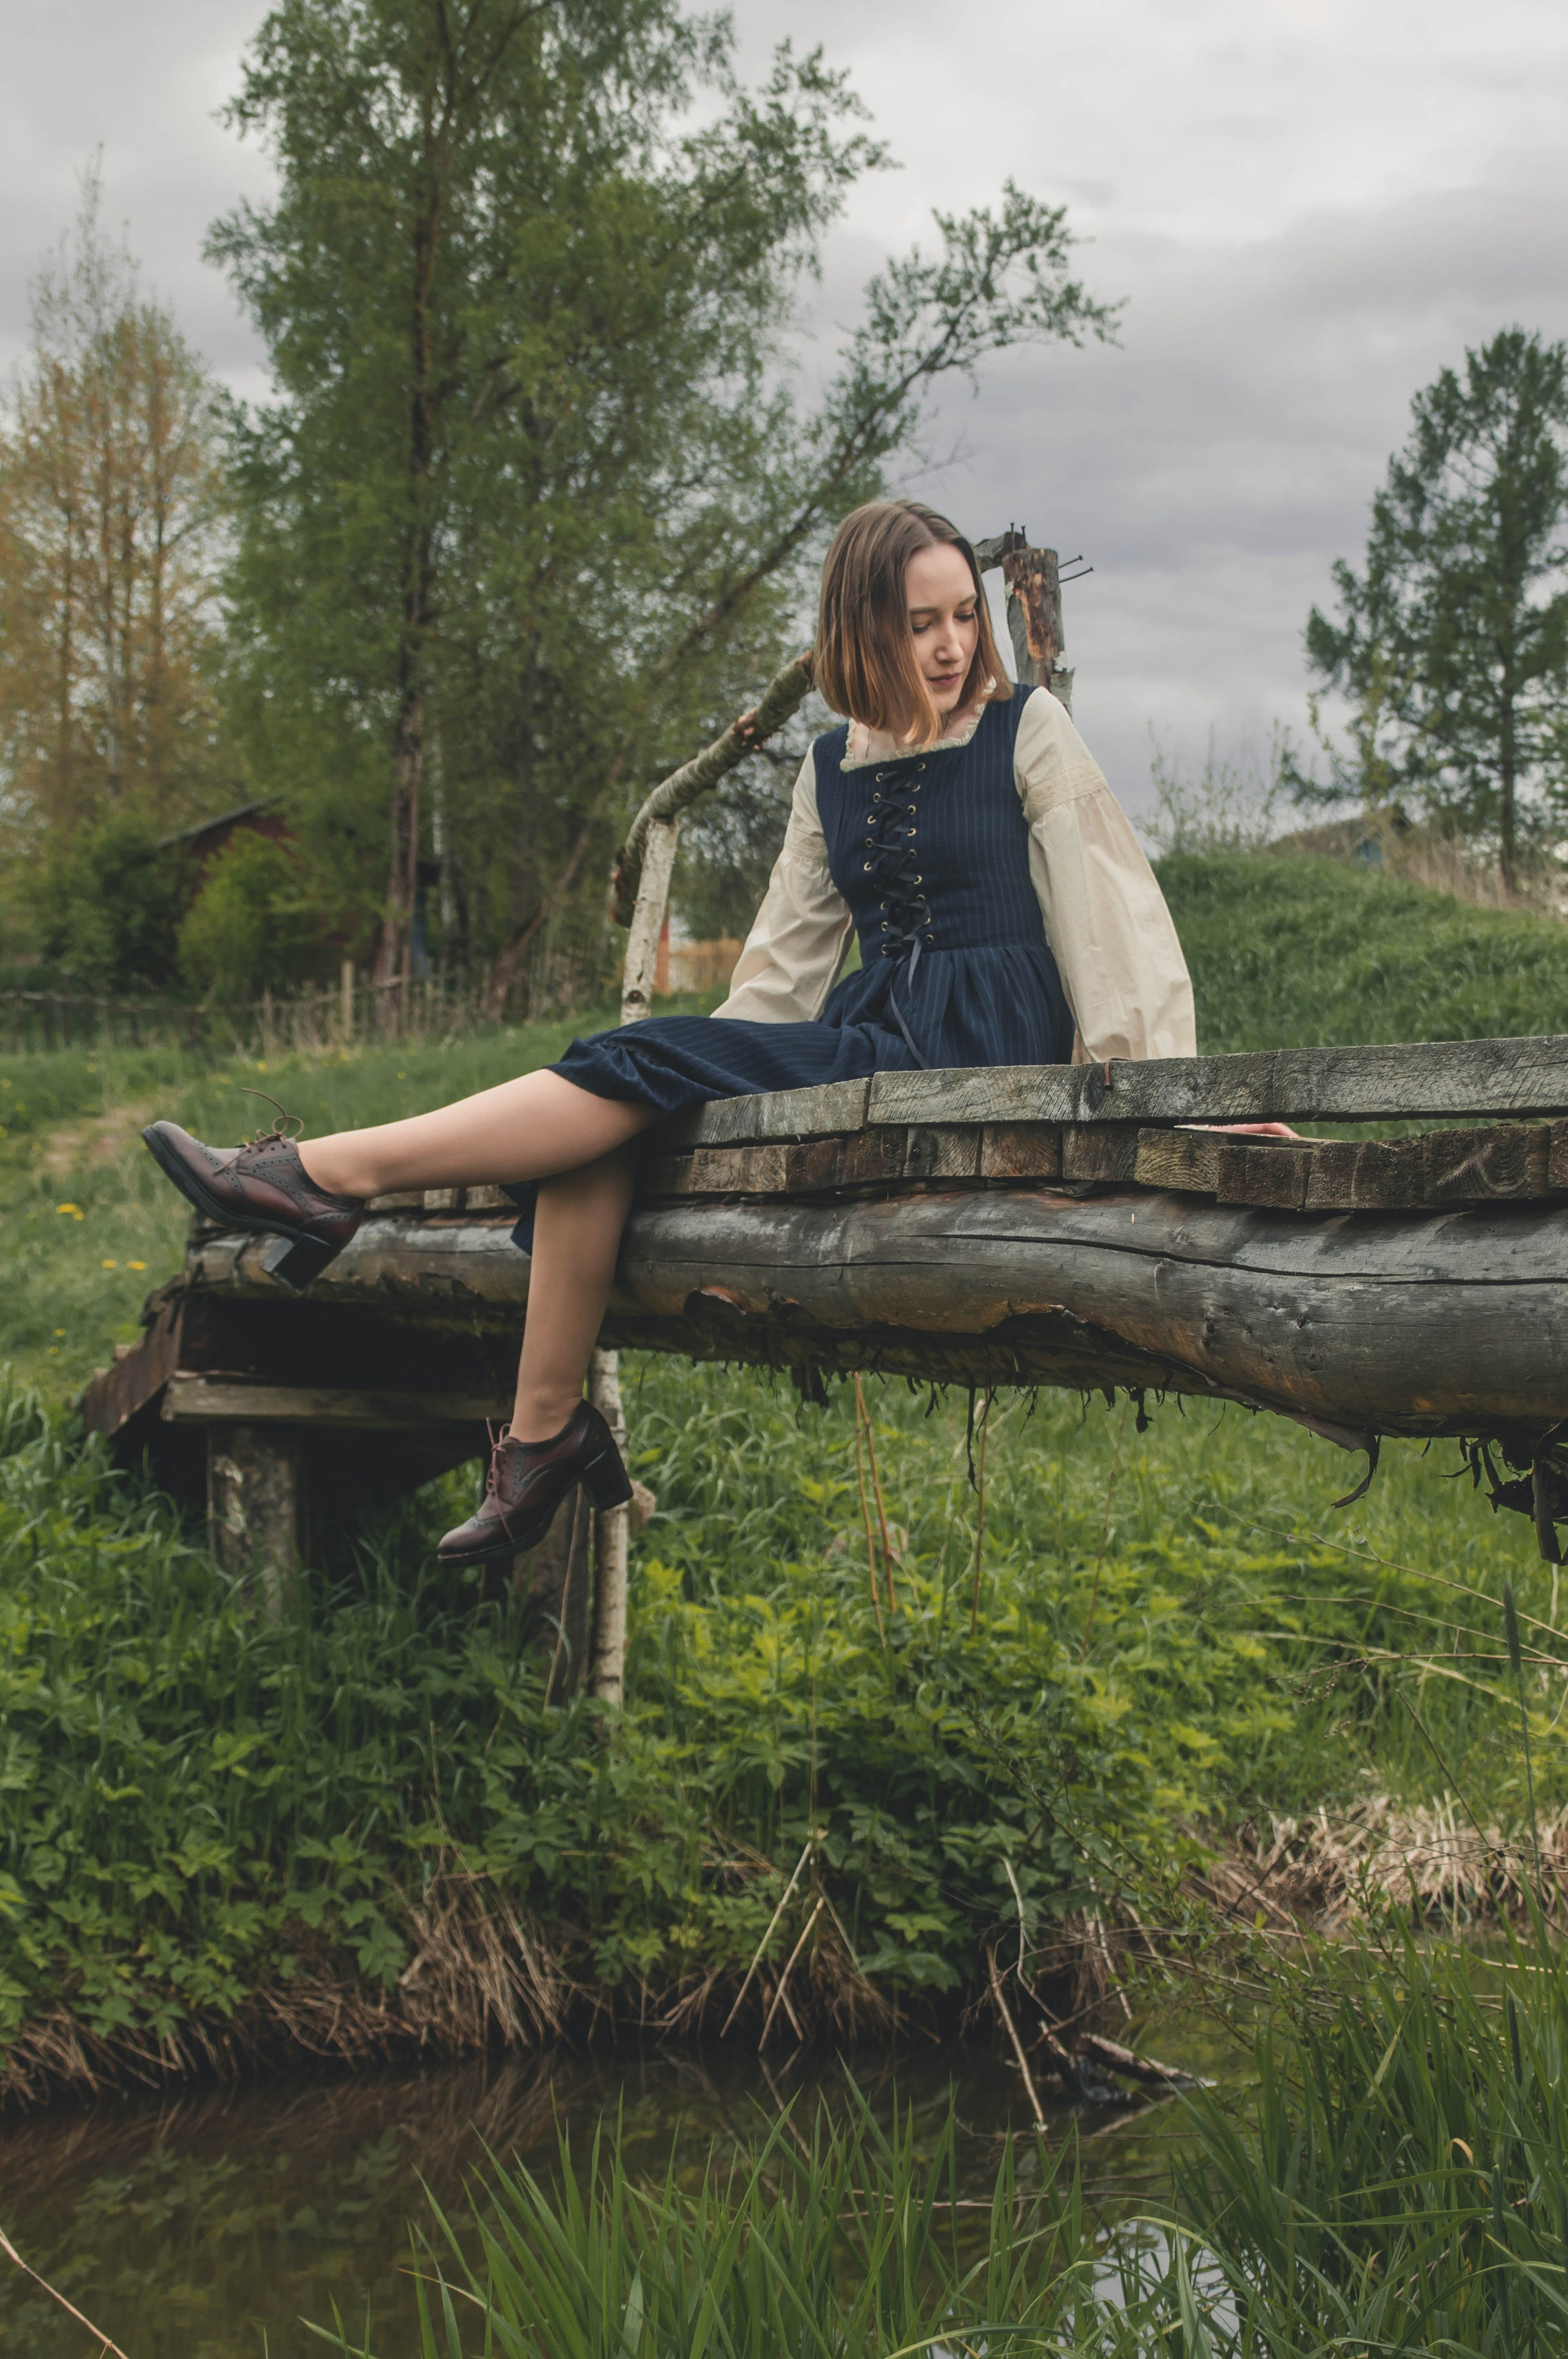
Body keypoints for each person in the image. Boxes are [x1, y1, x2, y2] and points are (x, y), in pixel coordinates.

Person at [142, 499, 1196, 1569]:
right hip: (875, 1044)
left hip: (980, 1056)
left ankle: (325, 1178)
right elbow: (780, 980)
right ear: (861, 630)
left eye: (965, 616)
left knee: (631, 1071)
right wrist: (688, 1081)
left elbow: (1111, 919)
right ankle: (542, 1432)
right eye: (920, 622)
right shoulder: (831, 770)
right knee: (625, 1100)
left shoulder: (1027, 728)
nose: (952, 645)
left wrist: (1157, 1100)